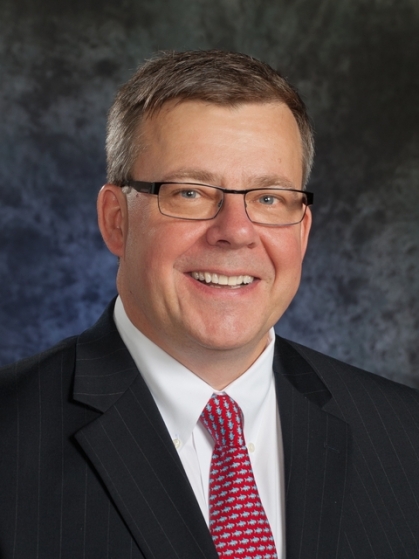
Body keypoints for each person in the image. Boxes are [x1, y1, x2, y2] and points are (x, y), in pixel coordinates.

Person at [1, 50, 419, 559]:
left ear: (303, 230)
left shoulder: (405, 438)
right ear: (116, 220)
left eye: (269, 198)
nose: (236, 232)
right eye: (191, 193)